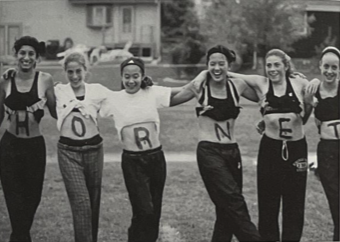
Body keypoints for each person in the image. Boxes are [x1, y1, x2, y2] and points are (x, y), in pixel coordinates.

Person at [100, 56, 203, 242]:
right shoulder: (114, 99)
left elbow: (183, 91)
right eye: (127, 77)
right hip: (133, 162)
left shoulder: (152, 92)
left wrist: (201, 81)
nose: (131, 81)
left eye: (135, 76)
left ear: (142, 76)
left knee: (153, 212)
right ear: (121, 77)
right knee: (144, 210)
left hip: (155, 158)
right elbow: (87, 101)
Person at [171, 45, 262, 241]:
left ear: (229, 65)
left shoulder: (237, 86)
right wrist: (145, 89)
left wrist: (291, 79)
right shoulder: (199, 87)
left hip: (232, 152)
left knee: (224, 209)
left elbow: (264, 94)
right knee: (233, 201)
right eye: (212, 64)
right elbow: (171, 98)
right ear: (207, 66)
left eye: (222, 64)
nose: (217, 68)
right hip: (209, 151)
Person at [228, 49, 313, 241]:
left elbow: (310, 107)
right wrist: (216, 69)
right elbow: (233, 75)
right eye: (269, 65)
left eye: (277, 65)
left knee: (294, 203)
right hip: (270, 149)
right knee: (268, 203)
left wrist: (311, 96)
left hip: (296, 148)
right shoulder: (261, 84)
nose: (272, 69)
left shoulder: (300, 83)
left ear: (285, 65)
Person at [0, 36, 57, 242]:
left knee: (32, 198)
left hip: (34, 147)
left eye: (31, 54)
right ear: (16, 55)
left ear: (37, 58)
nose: (26, 57)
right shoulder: (5, 80)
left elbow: (57, 111)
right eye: (22, 53)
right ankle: (20, 237)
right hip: (9, 147)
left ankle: (19, 235)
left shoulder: (45, 80)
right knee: (14, 200)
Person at [55, 51, 112, 242]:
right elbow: (34, 87)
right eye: (70, 72)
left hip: (94, 150)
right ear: (65, 72)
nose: (74, 76)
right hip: (69, 153)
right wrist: (11, 74)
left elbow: (122, 99)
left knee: (93, 203)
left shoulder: (97, 90)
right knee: (82, 203)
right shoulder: (59, 91)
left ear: (85, 70)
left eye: (78, 71)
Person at [306, 46, 339, 241]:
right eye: (326, 66)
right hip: (327, 151)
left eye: (334, 67)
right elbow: (303, 118)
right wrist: (308, 101)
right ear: (320, 66)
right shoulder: (314, 89)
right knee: (335, 198)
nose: (330, 71)